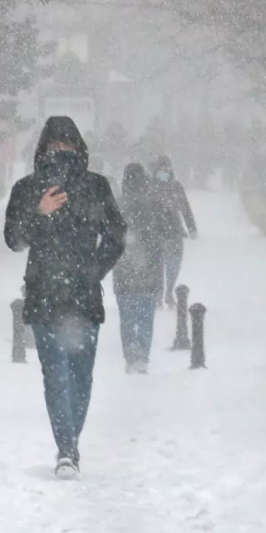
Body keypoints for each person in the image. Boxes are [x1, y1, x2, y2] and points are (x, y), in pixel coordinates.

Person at [5, 116, 126, 479]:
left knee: (81, 377)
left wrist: (94, 270)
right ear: (42, 149)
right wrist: (38, 213)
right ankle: (67, 450)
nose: (61, 152)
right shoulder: (26, 189)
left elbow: (117, 236)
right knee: (55, 375)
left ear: (79, 148)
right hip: (44, 297)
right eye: (53, 146)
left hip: (84, 300)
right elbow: (14, 239)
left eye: (68, 146)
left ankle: (70, 443)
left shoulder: (95, 187)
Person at [114, 164, 172, 374]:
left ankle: (130, 355)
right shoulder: (153, 205)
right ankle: (143, 356)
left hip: (123, 271)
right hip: (149, 271)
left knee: (127, 317)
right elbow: (163, 234)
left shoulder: (117, 205)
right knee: (146, 317)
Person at [150, 155, 197, 309]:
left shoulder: (176, 187)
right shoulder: (150, 186)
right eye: (161, 169)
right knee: (156, 265)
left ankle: (169, 291)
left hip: (174, 231)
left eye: (166, 169)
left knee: (173, 264)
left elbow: (185, 207)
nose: (163, 172)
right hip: (155, 231)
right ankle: (157, 295)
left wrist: (191, 227)